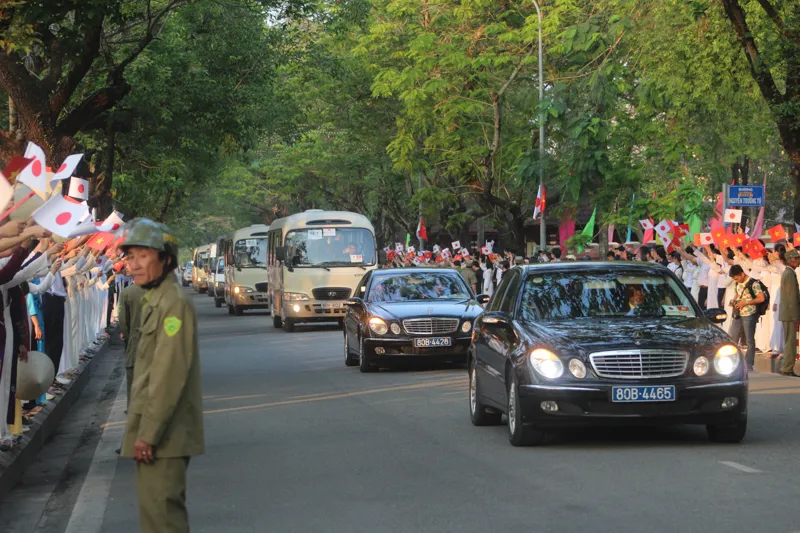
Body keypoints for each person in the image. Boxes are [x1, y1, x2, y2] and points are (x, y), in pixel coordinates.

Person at [120, 219, 204, 533]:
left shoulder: (173, 304)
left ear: (166, 259)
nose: (134, 265)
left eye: (143, 256)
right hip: (157, 433)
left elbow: (169, 373)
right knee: (155, 519)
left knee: (163, 521)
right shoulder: (153, 300)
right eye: (131, 257)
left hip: (165, 436)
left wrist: (149, 433)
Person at [728, 264, 764, 371]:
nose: (736, 280)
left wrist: (746, 302)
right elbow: (738, 294)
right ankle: (732, 362)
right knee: (732, 338)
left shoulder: (753, 283)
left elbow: (761, 298)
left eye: (737, 278)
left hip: (749, 314)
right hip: (738, 314)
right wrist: (734, 300)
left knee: (749, 341)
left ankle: (749, 364)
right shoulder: (738, 283)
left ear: (742, 274)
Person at [118, 281, 147, 402]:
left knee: (133, 377)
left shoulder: (126, 292)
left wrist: (127, 336)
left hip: (135, 342)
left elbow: (123, 321)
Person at [778, 249, 800, 376]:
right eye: (796, 258)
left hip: (787, 313)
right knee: (790, 342)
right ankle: (787, 368)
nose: (798, 261)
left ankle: (787, 367)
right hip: (790, 313)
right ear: (791, 259)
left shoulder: (788, 272)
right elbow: (792, 298)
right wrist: (795, 316)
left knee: (789, 341)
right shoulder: (790, 274)